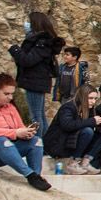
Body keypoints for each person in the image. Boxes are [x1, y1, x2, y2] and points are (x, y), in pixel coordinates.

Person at [10, 12, 64, 145]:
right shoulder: (41, 42)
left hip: (34, 81)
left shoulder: (42, 43)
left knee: (36, 116)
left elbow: (28, 60)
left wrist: (15, 50)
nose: (26, 24)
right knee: (40, 115)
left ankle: (38, 144)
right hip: (36, 81)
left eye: (28, 22)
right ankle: (44, 144)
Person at [43, 84, 101, 174]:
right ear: (82, 97)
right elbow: (67, 125)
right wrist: (92, 121)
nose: (93, 101)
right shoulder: (68, 107)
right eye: (90, 98)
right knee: (87, 131)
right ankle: (73, 163)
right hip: (58, 143)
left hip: (71, 141)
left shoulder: (89, 110)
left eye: (95, 99)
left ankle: (85, 162)